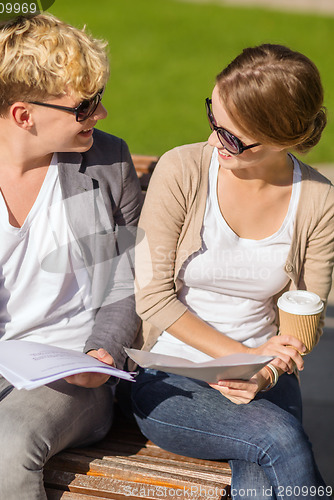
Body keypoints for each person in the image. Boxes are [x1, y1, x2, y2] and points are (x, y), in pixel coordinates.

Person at [132, 44, 334, 499]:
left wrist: (263, 372)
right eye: (213, 120)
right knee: (281, 440)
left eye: (233, 138)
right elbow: (152, 297)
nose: (213, 142)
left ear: (283, 140)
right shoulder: (182, 169)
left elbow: (306, 317)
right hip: (173, 375)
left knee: (264, 476)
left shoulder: (318, 200)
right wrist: (237, 360)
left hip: (267, 377)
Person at [0, 13, 142, 500]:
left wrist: (104, 352)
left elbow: (128, 279)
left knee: (7, 442)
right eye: (84, 106)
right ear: (24, 115)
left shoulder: (107, 162)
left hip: (70, 370)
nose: (101, 115)